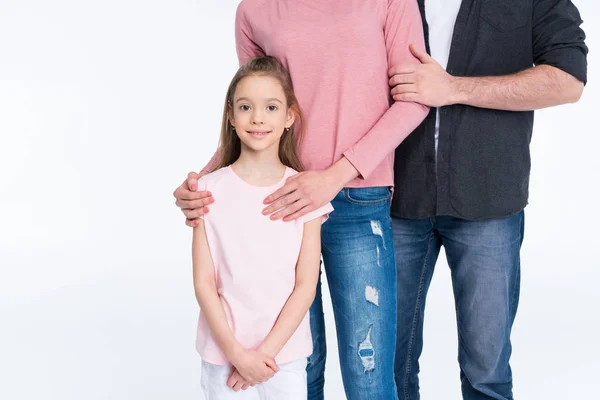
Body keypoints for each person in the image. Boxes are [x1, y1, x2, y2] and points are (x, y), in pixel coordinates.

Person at [175, 1, 429, 398]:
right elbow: (258, 104)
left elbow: (415, 99)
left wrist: (333, 177)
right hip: (277, 202)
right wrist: (201, 183)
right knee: (294, 369)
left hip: (359, 197)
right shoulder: (254, 11)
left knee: (369, 375)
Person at [387, 1, 588, 399]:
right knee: (387, 366)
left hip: (489, 201)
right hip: (394, 196)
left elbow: (568, 80)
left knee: (486, 371)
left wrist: (453, 88)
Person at [192, 56, 334, 400]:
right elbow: (204, 283)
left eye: (271, 107)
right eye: (246, 107)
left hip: (282, 358)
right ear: (231, 115)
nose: (257, 117)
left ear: (289, 117)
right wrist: (238, 355)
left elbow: (305, 286)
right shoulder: (207, 191)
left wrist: (263, 355)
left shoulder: (304, 193)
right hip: (224, 355)